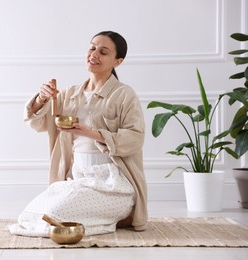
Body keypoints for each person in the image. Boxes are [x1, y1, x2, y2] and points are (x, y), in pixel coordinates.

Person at [9, 31, 147, 237]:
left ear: (117, 62)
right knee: (30, 215)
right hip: (76, 179)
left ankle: (110, 218)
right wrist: (41, 99)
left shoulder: (124, 94)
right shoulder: (69, 94)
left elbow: (135, 137)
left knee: (54, 216)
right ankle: (100, 222)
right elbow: (38, 123)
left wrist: (92, 133)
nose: (94, 54)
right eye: (92, 48)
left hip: (113, 183)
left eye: (103, 52)